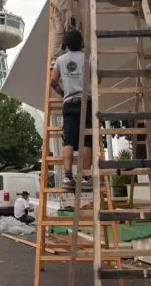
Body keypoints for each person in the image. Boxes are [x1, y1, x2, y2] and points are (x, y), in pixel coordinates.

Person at [50, 29, 93, 189]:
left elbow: (53, 82)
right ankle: (85, 177)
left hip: (69, 103)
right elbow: (98, 79)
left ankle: (68, 177)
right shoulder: (87, 58)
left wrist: (64, 94)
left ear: (66, 44)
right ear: (81, 42)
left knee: (68, 140)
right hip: (86, 103)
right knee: (87, 140)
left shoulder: (60, 60)